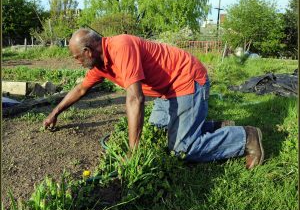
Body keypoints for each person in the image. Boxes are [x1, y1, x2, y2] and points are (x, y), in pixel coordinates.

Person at [43, 28, 264, 169]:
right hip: (166, 91)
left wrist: (133, 152)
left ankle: (245, 138)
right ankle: (215, 128)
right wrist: (54, 113)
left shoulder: (121, 46)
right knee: (158, 129)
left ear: (88, 51)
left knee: (181, 150)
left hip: (186, 81)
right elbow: (81, 89)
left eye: (76, 57)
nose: (76, 62)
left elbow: (135, 99)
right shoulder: (101, 64)